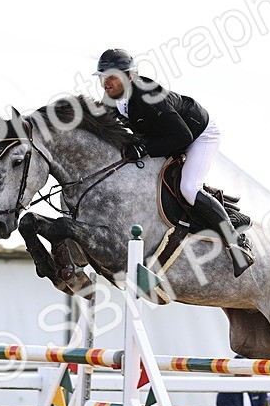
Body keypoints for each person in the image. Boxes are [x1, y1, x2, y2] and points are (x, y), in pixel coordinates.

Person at [94, 48, 254, 276]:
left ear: (130, 77)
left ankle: (237, 244)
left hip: (199, 135)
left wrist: (144, 148)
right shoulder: (112, 98)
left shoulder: (148, 97)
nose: (105, 83)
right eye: (102, 77)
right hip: (166, 135)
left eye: (111, 76)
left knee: (189, 188)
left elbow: (183, 137)